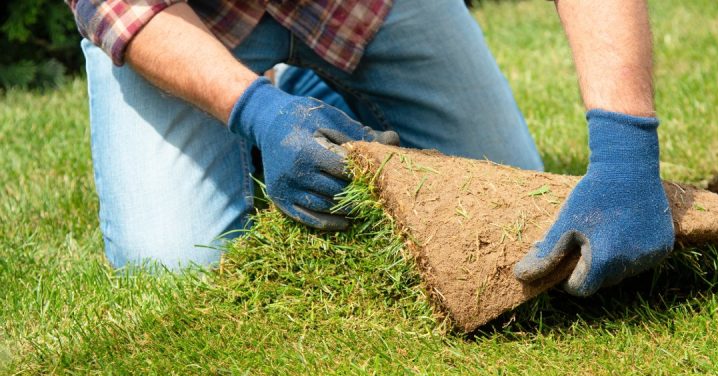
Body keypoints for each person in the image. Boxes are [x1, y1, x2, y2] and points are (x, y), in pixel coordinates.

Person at [66, 0, 674, 297]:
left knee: (509, 216)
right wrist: (255, 112)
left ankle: (315, 94)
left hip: (358, 7)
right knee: (174, 269)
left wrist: (626, 150)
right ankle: (275, 103)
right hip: (185, 18)